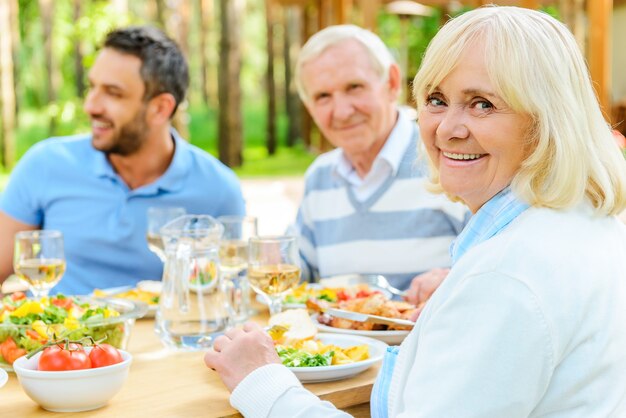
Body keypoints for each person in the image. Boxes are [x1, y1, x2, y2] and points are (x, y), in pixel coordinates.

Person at [204, 6, 626, 417]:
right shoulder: (584, 221)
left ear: (546, 119)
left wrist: (262, 383)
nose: (446, 129)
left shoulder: (505, 275)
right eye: (437, 99)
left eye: (483, 104)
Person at [0, 26, 245, 295]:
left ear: (160, 108)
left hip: (159, 336)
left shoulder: (218, 190)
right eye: (92, 87)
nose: (91, 106)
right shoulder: (44, 165)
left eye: (113, 93)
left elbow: (227, 299)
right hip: (59, 334)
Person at [292, 24, 469, 292]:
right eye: (323, 96)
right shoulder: (320, 176)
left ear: (392, 83)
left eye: (354, 87)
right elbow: (296, 273)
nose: (341, 111)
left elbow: (498, 265)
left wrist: (454, 280)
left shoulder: (451, 158)